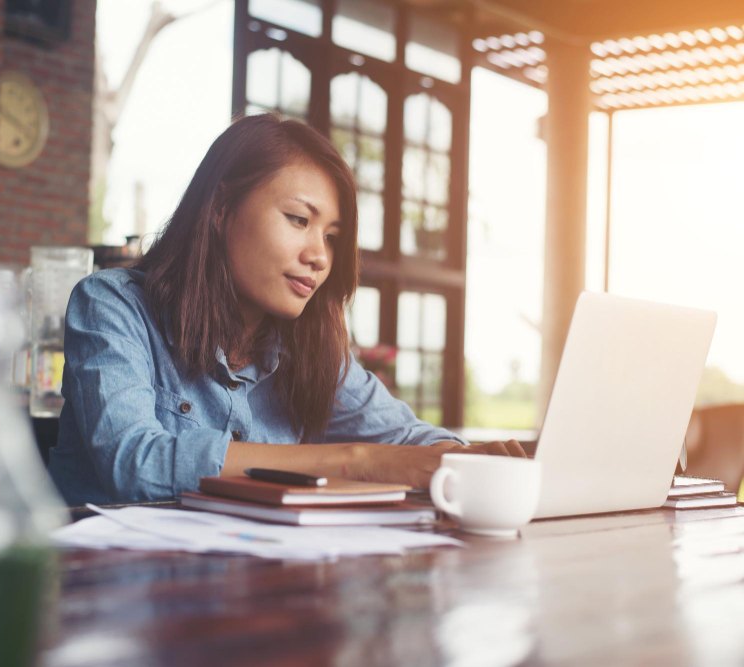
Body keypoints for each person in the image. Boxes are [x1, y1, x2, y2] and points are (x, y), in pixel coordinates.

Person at [48, 113, 526, 505]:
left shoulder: (311, 349)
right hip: (110, 596)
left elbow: (405, 438)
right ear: (220, 208)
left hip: (253, 589)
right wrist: (354, 461)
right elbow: (136, 461)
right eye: (299, 220)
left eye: (332, 238)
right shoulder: (111, 305)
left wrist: (468, 457)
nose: (319, 256)